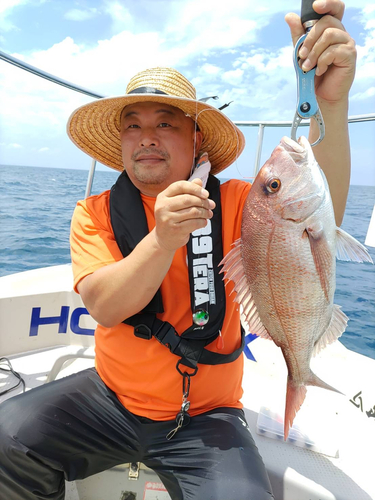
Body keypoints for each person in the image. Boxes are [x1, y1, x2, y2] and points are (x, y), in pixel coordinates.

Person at [0, 1, 356, 499]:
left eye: (165, 123)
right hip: (111, 400)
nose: (146, 137)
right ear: (121, 142)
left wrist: (332, 106)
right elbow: (104, 305)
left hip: (208, 419)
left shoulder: (239, 203)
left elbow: (323, 216)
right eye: (133, 125)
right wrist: (164, 237)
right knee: (6, 438)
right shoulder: (94, 212)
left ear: (196, 141)